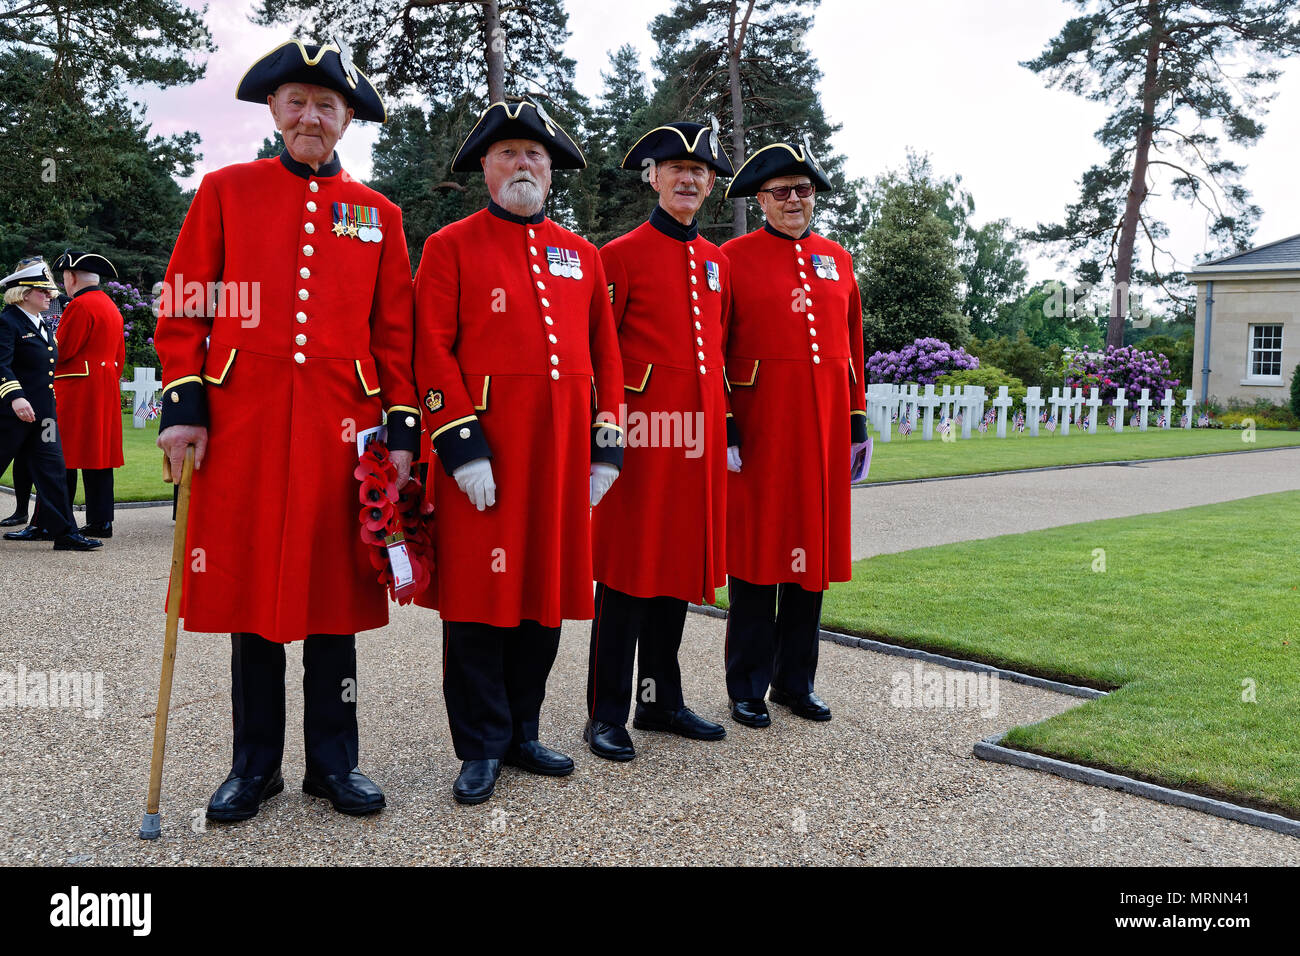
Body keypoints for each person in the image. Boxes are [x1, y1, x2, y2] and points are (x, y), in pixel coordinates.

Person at [153, 38, 419, 822]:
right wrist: (183, 405)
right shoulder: (226, 191)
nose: (311, 116)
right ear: (274, 109)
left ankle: (335, 765)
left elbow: (394, 332)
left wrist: (401, 429)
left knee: (334, 601)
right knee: (254, 599)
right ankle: (255, 766)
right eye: (298, 102)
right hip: (248, 425)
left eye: (327, 106)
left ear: (346, 121)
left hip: (347, 430)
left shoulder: (380, 215)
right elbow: (185, 304)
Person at [413, 99, 624, 804]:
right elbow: (430, 353)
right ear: (485, 167)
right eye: (507, 153)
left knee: (544, 594)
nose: (522, 164)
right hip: (486, 457)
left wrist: (607, 449)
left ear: (551, 170)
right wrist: (461, 445)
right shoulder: (449, 247)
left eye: (534, 155)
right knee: (477, 601)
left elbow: (608, 358)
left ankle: (523, 730)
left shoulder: (582, 255)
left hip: (561, 457)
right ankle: (479, 745)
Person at [584, 122, 735, 761]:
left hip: (695, 440)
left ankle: (659, 701)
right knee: (625, 575)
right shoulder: (618, 254)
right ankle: (605, 714)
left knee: (672, 569)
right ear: (653, 175)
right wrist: (607, 435)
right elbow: (601, 355)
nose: (689, 178)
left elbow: (719, 353)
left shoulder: (716, 261)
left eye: (700, 172)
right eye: (676, 168)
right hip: (641, 437)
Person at [720, 140, 867, 728]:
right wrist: (726, 423)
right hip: (761, 427)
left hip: (824, 428)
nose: (794, 201)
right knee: (757, 559)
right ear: (760, 199)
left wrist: (855, 422)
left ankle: (795, 683)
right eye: (781, 192)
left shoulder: (838, 258)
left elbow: (853, 347)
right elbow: (715, 348)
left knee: (812, 561)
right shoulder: (731, 257)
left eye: (803, 190)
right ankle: (748, 686)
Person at [0, 259, 101, 551]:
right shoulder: (7, 322)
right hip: (12, 416)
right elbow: (1, 365)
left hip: (43, 418)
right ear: (23, 292)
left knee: (53, 470)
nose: (50, 296)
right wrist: (16, 397)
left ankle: (65, 532)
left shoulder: (40, 323)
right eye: (43, 291)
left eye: (49, 291)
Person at [45, 250, 125, 539]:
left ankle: (56, 520)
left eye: (64, 277)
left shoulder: (79, 306)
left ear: (72, 277)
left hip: (76, 389)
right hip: (103, 388)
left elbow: (62, 350)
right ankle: (101, 521)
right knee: (98, 457)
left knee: (60, 455)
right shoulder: (110, 306)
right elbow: (119, 356)